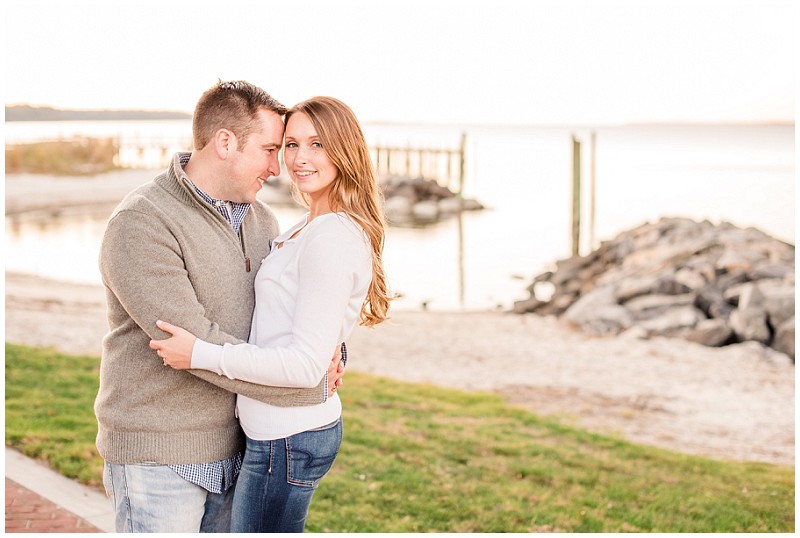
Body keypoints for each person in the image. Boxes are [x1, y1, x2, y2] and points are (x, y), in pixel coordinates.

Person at [94, 81, 345, 533]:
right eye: (270, 149)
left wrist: (331, 349)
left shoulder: (261, 219)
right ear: (225, 143)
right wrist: (310, 384)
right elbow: (188, 343)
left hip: (241, 448)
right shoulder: (143, 222)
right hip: (161, 457)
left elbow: (283, 314)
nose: (278, 166)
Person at [150, 96, 392, 532]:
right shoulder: (306, 226)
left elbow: (302, 365)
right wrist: (334, 349)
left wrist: (200, 353)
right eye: (291, 145)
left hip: (289, 437)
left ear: (345, 150)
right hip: (277, 435)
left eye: (318, 144)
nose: (299, 159)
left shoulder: (331, 235)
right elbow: (298, 322)